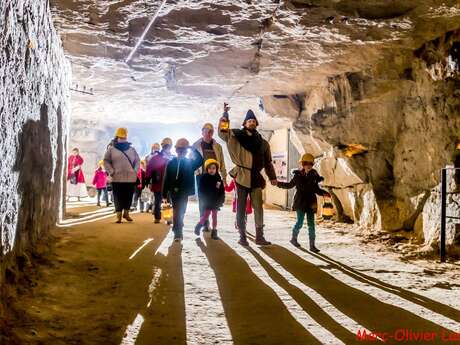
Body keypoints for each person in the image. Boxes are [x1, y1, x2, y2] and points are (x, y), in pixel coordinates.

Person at [218, 105, 277, 246]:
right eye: (249, 120)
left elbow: (268, 162)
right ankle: (242, 236)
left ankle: (259, 236)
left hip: (256, 178)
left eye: (253, 121)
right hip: (242, 176)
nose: (251, 122)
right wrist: (225, 114)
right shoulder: (235, 136)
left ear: (256, 124)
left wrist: (272, 177)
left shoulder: (263, 143)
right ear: (244, 123)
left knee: (258, 207)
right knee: (241, 207)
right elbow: (222, 132)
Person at [277, 153, 330, 252]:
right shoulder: (297, 176)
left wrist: (324, 193)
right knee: (299, 222)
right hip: (300, 202)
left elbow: (316, 189)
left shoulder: (314, 175)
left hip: (311, 203)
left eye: (311, 163)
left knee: (311, 224)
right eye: (306, 163)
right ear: (302, 164)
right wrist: (278, 183)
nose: (308, 165)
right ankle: (293, 239)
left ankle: (312, 245)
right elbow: (289, 185)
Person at [162, 138, 203, 241]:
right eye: (179, 149)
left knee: (182, 211)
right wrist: (164, 194)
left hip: (184, 191)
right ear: (176, 150)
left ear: (186, 151)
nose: (181, 151)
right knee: (177, 210)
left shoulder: (190, 163)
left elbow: (200, 160)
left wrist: (192, 149)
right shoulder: (171, 162)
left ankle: (177, 226)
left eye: (183, 149)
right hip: (173, 191)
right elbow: (166, 178)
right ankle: (178, 233)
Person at [193, 123, 227, 231]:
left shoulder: (218, 147)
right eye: (206, 130)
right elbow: (191, 162)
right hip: (202, 176)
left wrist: (224, 177)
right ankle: (204, 223)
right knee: (202, 200)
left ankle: (212, 223)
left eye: (211, 131)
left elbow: (221, 162)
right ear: (202, 132)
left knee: (213, 199)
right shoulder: (196, 146)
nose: (208, 133)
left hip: (215, 177)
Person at [103, 127, 140, 223]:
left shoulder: (132, 149)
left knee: (127, 196)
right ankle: (119, 216)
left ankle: (126, 214)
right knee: (118, 196)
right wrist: (111, 171)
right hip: (117, 177)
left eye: (124, 137)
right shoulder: (111, 149)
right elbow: (106, 161)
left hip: (129, 178)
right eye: (122, 136)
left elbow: (137, 161)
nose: (123, 138)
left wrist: (135, 171)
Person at [194, 159, 225, 240]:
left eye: (213, 168)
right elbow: (201, 190)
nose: (212, 170)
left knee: (215, 217)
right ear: (207, 169)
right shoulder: (204, 178)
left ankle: (214, 232)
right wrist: (203, 200)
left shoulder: (218, 179)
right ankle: (198, 226)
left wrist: (221, 201)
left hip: (215, 202)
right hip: (207, 202)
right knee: (205, 216)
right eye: (210, 168)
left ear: (216, 169)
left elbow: (222, 191)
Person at [146, 137, 173, 223]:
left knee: (162, 201)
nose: (167, 147)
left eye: (167, 145)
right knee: (164, 201)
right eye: (167, 145)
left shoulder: (155, 158)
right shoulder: (172, 158)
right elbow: (149, 169)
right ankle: (164, 218)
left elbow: (149, 169)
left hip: (162, 183)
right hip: (161, 183)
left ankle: (159, 218)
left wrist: (147, 179)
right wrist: (147, 179)